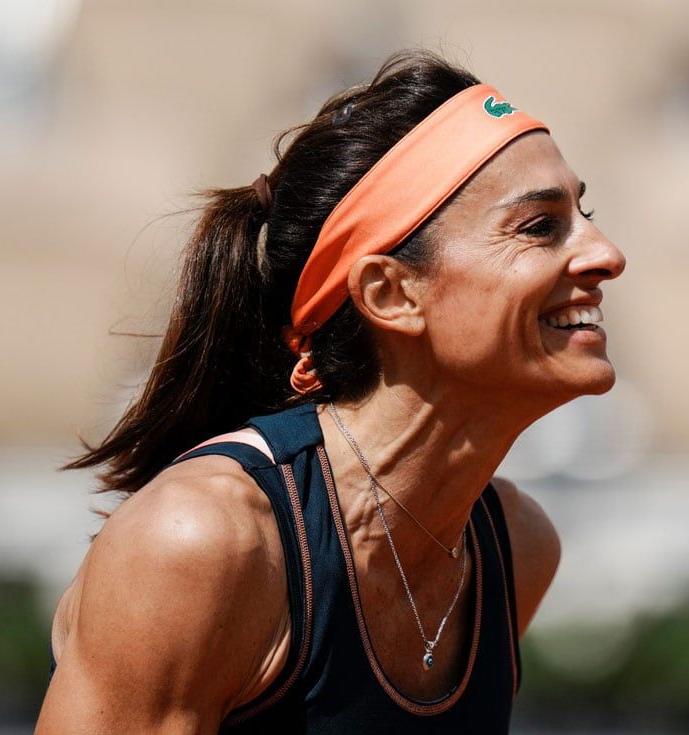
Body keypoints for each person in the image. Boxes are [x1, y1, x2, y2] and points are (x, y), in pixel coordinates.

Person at [36, 49, 625, 734]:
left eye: (584, 215)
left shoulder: (517, 546)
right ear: (390, 293)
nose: (607, 253)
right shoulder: (203, 541)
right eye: (540, 226)